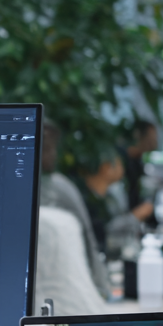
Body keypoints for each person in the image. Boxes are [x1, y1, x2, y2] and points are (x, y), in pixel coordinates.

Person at [39, 120, 111, 298]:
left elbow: (87, 239)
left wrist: (99, 288)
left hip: (62, 288)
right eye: (46, 148)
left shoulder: (60, 187)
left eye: (54, 148)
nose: (53, 155)